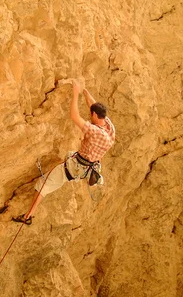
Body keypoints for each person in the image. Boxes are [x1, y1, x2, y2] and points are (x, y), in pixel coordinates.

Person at [13, 79, 115, 225]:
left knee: (43, 184)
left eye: (90, 114)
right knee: (66, 159)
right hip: (86, 166)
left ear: (93, 115)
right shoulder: (109, 127)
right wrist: (84, 91)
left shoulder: (95, 132)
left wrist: (75, 94)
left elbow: (74, 117)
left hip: (74, 167)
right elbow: (92, 104)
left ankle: (28, 216)